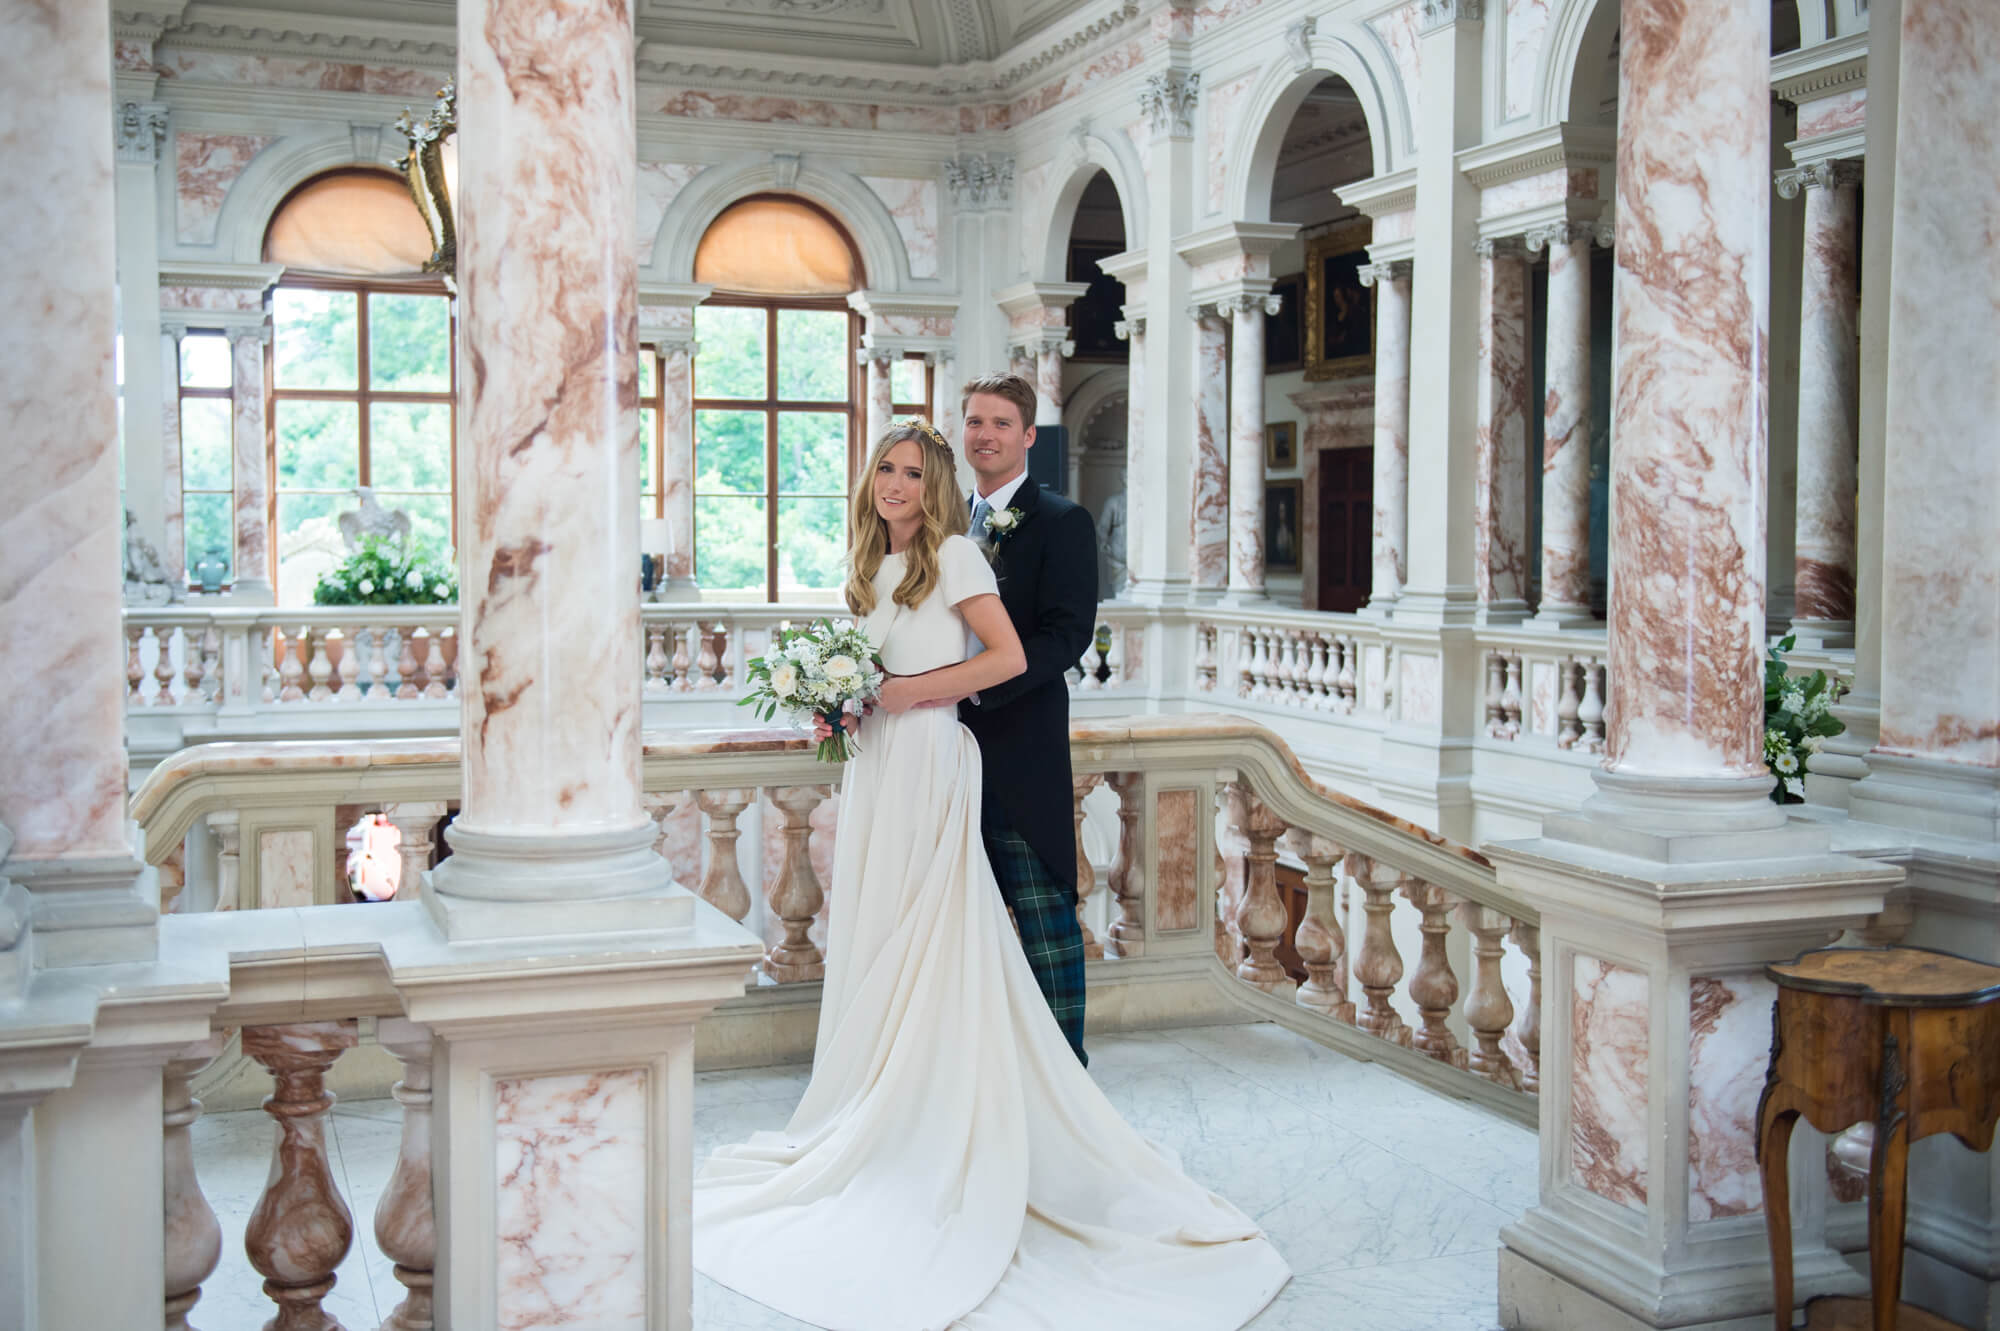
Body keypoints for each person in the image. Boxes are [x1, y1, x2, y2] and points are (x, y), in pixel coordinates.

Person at [692, 418, 1290, 1331]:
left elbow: (1008, 659)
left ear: (935, 486)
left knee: (934, 928)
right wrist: (840, 705)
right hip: (878, 760)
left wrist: (905, 693)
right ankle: (871, 1101)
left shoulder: (958, 556)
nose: (895, 484)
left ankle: (946, 1111)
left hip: (930, 753)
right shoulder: (869, 565)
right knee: (880, 923)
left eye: (912, 472)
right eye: (885, 469)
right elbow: (874, 666)